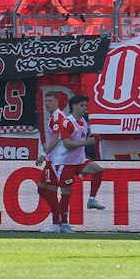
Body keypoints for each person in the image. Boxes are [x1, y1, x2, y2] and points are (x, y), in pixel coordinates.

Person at [36, 93, 92, 234]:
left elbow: (56, 139)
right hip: (54, 160)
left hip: (56, 160)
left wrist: (43, 154)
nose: (47, 103)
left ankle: (57, 223)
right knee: (42, 188)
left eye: (50, 101)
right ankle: (58, 217)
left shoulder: (58, 117)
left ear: (57, 103)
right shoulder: (57, 117)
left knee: (52, 189)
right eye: (45, 101)